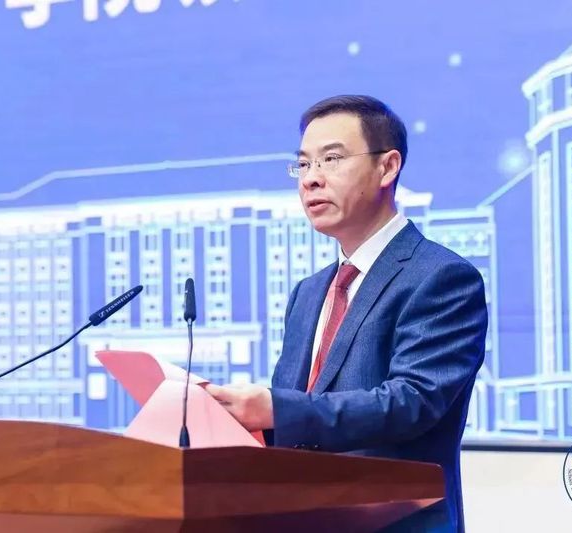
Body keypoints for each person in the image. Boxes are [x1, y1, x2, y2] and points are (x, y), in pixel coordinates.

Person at [205, 95, 488, 532]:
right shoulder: (308, 293)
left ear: (387, 167)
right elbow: (299, 420)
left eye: (331, 159)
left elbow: (411, 403)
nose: (311, 179)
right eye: (303, 164)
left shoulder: (442, 277)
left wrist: (274, 409)